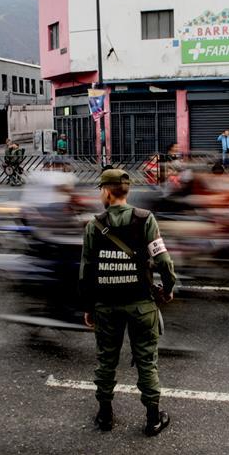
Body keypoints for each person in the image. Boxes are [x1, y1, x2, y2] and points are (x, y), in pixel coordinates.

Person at [80, 169, 177, 436]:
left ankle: (105, 415)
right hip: (141, 304)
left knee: (106, 360)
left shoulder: (94, 225)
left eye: (101, 189)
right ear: (127, 191)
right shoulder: (146, 219)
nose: (101, 193)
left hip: (106, 306)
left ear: (108, 192)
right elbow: (163, 260)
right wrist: (168, 289)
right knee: (146, 359)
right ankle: (153, 418)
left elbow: (86, 271)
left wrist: (88, 307)